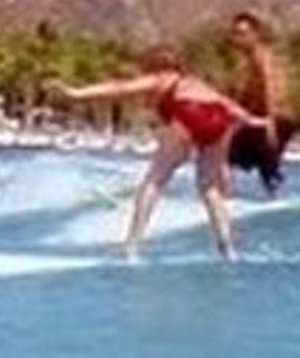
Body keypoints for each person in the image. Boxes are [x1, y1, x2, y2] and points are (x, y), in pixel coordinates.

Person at [47, 47, 271, 262]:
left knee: (155, 180)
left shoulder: (159, 79)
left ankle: (131, 248)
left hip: (190, 113)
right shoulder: (194, 82)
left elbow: (119, 88)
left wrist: (75, 93)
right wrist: (255, 121)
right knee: (210, 188)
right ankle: (228, 249)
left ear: (156, 65)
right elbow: (229, 106)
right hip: (222, 119)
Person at [225, 11, 300, 196]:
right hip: (269, 119)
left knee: (228, 155)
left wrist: (270, 125)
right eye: (235, 33)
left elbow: (270, 90)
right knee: (263, 165)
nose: (238, 39)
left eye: (243, 34)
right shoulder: (251, 59)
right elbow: (249, 97)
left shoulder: (261, 56)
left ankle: (223, 199)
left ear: (255, 34)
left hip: (275, 119)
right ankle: (276, 196)